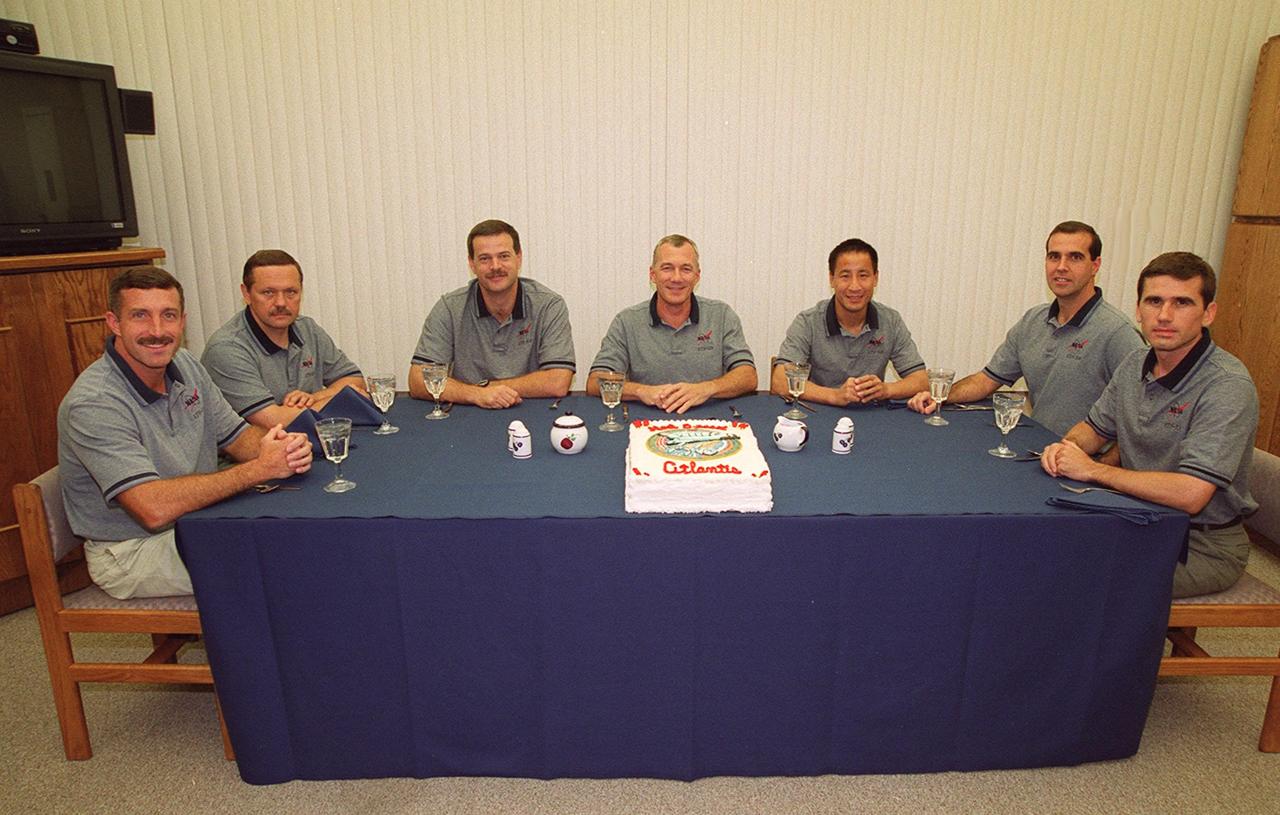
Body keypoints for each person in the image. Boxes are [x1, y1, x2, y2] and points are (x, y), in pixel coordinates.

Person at [58, 268, 313, 599]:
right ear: (114, 323)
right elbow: (152, 508)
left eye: (169, 315)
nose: (157, 330)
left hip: (196, 520)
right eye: (140, 316)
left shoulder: (187, 365)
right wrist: (258, 470)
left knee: (301, 531)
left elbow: (238, 438)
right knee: (288, 561)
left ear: (183, 321)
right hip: (130, 552)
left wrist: (282, 449)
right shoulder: (94, 404)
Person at [1041, 252, 1258, 597]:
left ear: (1208, 313)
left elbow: (1191, 494)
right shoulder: (1134, 364)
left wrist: (1094, 472)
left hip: (1200, 544)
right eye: (1154, 301)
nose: (1165, 315)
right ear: (1138, 310)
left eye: (1182, 303)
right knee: (1037, 551)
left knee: (1076, 581)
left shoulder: (1227, 385)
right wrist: (1067, 448)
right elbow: (1094, 430)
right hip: (1137, 519)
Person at [907, 221, 1144, 436]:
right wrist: (941, 396)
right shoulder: (1033, 320)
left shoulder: (1118, 333)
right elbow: (986, 380)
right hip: (1040, 449)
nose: (1061, 267)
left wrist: (1100, 466)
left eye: (1074, 257)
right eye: (1054, 256)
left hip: (1084, 461)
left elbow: (1139, 418)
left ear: (1095, 266)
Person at [408, 219, 575, 408]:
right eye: (485, 258)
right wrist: (476, 395)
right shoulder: (449, 308)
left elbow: (558, 382)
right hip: (467, 415)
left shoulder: (548, 305)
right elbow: (417, 380)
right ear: (472, 263)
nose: (495, 266)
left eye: (504, 256)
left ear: (519, 257)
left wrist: (487, 388)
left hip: (532, 413)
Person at [586, 234, 756, 414]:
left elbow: (748, 376)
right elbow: (595, 382)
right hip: (646, 422)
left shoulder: (721, 315)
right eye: (667, 268)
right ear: (653, 274)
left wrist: (706, 389)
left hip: (710, 423)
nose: (676, 278)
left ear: (697, 276)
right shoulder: (626, 321)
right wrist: (642, 391)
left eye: (686, 269)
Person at [201, 249, 365, 428]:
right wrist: (342, 399)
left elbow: (354, 380)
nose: (281, 303)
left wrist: (315, 397)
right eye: (268, 293)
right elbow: (272, 421)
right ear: (246, 294)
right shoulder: (227, 349)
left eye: (290, 292)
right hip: (257, 453)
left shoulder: (307, 328)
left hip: (310, 443)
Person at [772, 238, 928, 405]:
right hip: (819, 414)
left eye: (863, 275)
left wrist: (885, 390)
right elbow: (780, 381)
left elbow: (921, 380)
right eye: (845, 276)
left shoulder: (891, 321)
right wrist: (834, 396)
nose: (855, 286)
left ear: (875, 278)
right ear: (832, 279)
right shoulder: (808, 322)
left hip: (873, 416)